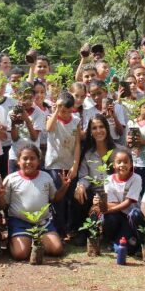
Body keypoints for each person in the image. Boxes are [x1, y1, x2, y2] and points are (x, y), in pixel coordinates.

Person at [0, 145, 71, 261]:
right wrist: (0, 197)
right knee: (20, 254)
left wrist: (64, 187)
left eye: (32, 158)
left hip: (42, 222)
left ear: (38, 161)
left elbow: (54, 198)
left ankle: (36, 241)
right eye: (25, 158)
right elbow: (3, 206)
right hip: (20, 222)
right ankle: (14, 242)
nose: (28, 162)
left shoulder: (46, 177)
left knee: (57, 249)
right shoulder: (11, 179)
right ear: (18, 161)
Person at [44, 92, 82, 238]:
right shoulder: (52, 118)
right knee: (57, 198)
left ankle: (69, 228)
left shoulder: (76, 120)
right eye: (61, 110)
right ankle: (58, 229)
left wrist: (75, 165)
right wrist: (55, 111)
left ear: (72, 109)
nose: (63, 113)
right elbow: (48, 128)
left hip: (70, 165)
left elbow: (78, 144)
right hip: (54, 165)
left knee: (70, 199)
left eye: (66, 111)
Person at [99, 147, 143, 251]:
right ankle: (111, 240)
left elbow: (128, 203)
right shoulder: (109, 180)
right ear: (114, 165)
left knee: (129, 248)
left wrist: (107, 209)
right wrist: (103, 206)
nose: (122, 165)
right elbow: (112, 203)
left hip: (131, 218)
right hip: (118, 216)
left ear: (131, 164)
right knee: (109, 218)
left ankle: (132, 241)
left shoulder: (136, 178)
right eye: (119, 162)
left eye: (125, 162)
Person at [8, 82, 46, 174]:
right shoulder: (12, 112)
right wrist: (14, 122)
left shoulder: (39, 113)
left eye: (30, 98)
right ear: (18, 97)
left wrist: (26, 119)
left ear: (34, 97)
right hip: (15, 156)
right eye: (25, 98)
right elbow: (14, 138)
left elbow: (34, 137)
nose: (27, 101)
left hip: (32, 156)